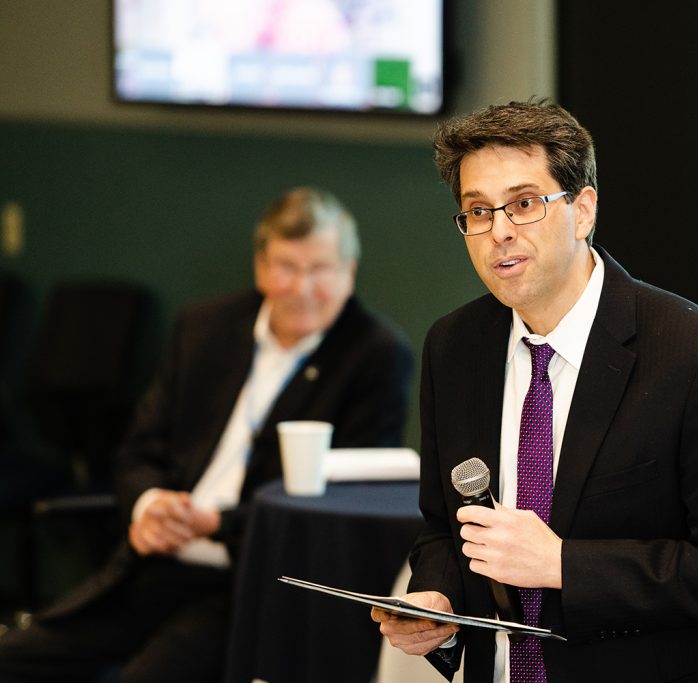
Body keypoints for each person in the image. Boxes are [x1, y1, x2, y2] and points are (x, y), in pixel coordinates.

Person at [372, 100, 698, 682]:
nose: (499, 233)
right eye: (477, 211)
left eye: (523, 204)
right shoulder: (455, 346)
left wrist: (564, 564)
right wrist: (437, 601)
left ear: (583, 209)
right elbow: (445, 529)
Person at [0, 186, 414, 681]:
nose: (303, 287)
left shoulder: (375, 353)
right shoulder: (205, 327)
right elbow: (139, 446)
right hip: (152, 561)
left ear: (349, 272)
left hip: (248, 581)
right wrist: (149, 504)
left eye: (321, 269)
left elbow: (339, 502)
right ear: (261, 267)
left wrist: (215, 522)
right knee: (16, 659)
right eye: (287, 266)